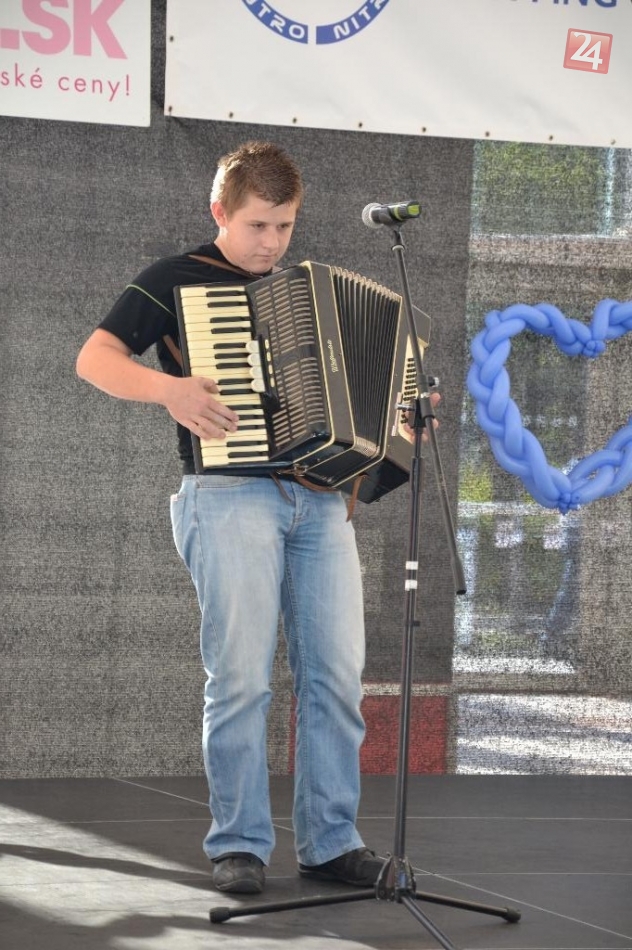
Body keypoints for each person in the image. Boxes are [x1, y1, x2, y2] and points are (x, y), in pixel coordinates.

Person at [76, 140, 437, 896]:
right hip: (228, 495)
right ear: (221, 211)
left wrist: (404, 422)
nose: (271, 242)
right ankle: (238, 844)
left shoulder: (307, 292)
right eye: (257, 226)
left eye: (285, 226)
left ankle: (331, 842)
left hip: (320, 502)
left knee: (335, 678)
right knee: (240, 679)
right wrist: (170, 391)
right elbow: (95, 358)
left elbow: (371, 408)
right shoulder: (175, 278)